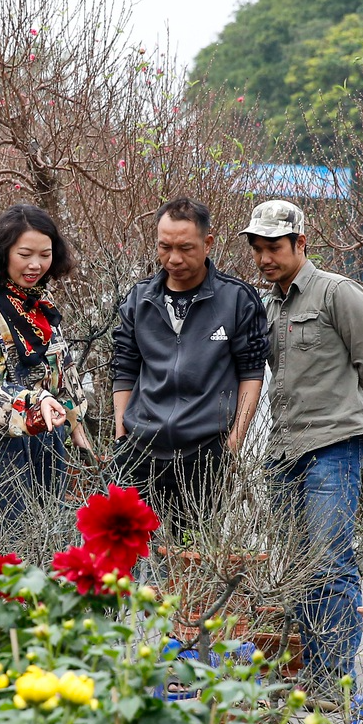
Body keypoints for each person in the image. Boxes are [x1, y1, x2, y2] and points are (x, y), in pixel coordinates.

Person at [243, 198, 363, 686]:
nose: (265, 258)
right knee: (300, 564)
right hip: (283, 450)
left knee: (331, 562)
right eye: (258, 249)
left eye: (275, 248)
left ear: (300, 243)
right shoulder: (266, 304)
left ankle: (333, 682)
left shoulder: (337, 294)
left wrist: (352, 415)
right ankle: (311, 675)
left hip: (333, 446)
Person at [110, 197, 269, 537]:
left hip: (205, 455)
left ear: (208, 243)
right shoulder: (139, 299)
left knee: (191, 564)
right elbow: (123, 368)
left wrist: (233, 445)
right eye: (164, 247)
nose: (174, 258)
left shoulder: (237, 299)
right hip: (139, 452)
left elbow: (252, 374)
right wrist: (121, 435)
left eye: (185, 247)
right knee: (129, 558)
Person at [0, 204, 93, 549]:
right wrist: (38, 400)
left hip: (49, 445)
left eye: (45, 255)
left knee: (44, 550)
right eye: (25, 254)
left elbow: (62, 366)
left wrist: (76, 424)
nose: (36, 265)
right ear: (4, 254)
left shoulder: (40, 303)